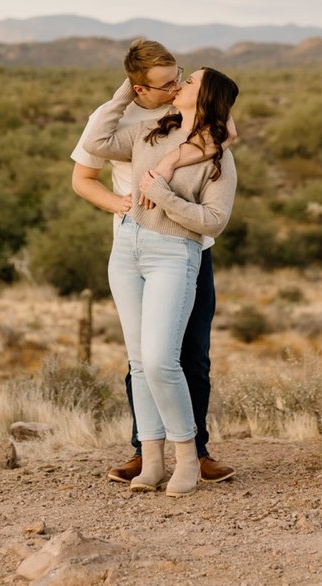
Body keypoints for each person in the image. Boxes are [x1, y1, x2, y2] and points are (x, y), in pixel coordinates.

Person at [73, 43, 239, 495]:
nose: (180, 84)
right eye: (173, 80)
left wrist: (163, 191)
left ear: (204, 98)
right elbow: (95, 144)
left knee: (168, 360)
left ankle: (189, 458)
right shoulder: (149, 130)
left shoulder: (219, 155)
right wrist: (126, 91)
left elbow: (214, 222)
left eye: (189, 80)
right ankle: (150, 461)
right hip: (127, 247)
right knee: (141, 363)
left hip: (176, 252)